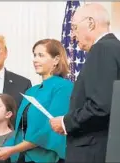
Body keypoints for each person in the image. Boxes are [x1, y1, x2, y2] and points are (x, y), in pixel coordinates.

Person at [50, 3, 120, 162]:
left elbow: (101, 106)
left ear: (90, 23)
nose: (72, 35)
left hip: (92, 151)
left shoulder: (102, 49)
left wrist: (65, 122)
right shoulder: (115, 48)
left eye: (74, 27)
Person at [0, 39, 73, 163]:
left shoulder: (63, 87)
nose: (35, 60)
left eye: (41, 55)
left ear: (56, 60)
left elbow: (51, 129)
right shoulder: (31, 91)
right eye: (34, 55)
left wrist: (12, 149)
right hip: (21, 158)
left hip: (47, 159)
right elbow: (20, 130)